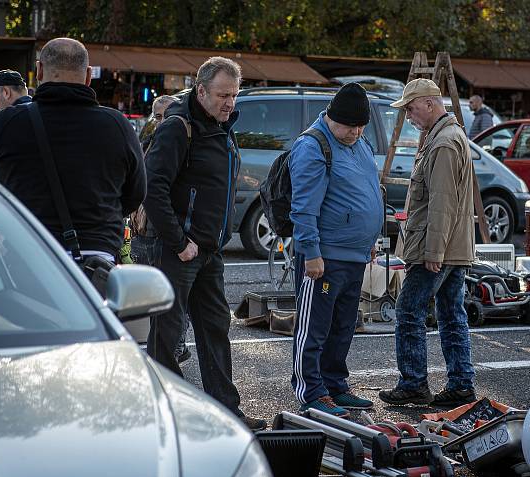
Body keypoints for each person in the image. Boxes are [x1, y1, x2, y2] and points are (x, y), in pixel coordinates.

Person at [143, 56, 266, 431]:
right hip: (177, 250)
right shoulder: (178, 128)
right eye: (222, 95)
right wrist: (179, 241)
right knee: (166, 335)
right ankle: (168, 416)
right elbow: (153, 188)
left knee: (215, 329)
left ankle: (226, 411)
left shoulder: (221, 127)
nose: (230, 102)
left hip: (208, 251)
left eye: (234, 94)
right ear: (201, 91)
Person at [0, 37, 145, 267]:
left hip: (26, 254)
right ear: (88, 76)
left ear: (38, 71)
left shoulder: (6, 124)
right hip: (96, 263)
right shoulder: (118, 126)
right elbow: (136, 193)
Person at [379, 78, 477, 408]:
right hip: (453, 247)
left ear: (430, 104)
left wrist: (433, 251)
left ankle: (414, 383)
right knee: (451, 313)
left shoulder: (443, 143)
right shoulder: (444, 137)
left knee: (409, 311)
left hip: (436, 248)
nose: (409, 115)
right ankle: (461, 384)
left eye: (411, 107)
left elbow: (442, 202)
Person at [289, 83, 383, 417]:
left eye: (361, 126)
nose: (355, 132)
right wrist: (311, 251)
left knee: (343, 325)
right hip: (324, 256)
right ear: (331, 117)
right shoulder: (312, 147)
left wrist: (369, 241)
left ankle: (335, 385)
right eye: (349, 126)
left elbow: (369, 188)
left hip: (354, 253)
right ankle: (311, 390)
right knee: (314, 326)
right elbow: (303, 207)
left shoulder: (358, 141)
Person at [131, 92, 191, 364]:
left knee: (171, 301)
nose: (161, 121)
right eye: (157, 116)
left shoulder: (177, 141)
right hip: (142, 229)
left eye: (166, 115)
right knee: (153, 299)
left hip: (162, 232)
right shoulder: (147, 141)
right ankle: (166, 350)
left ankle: (175, 349)